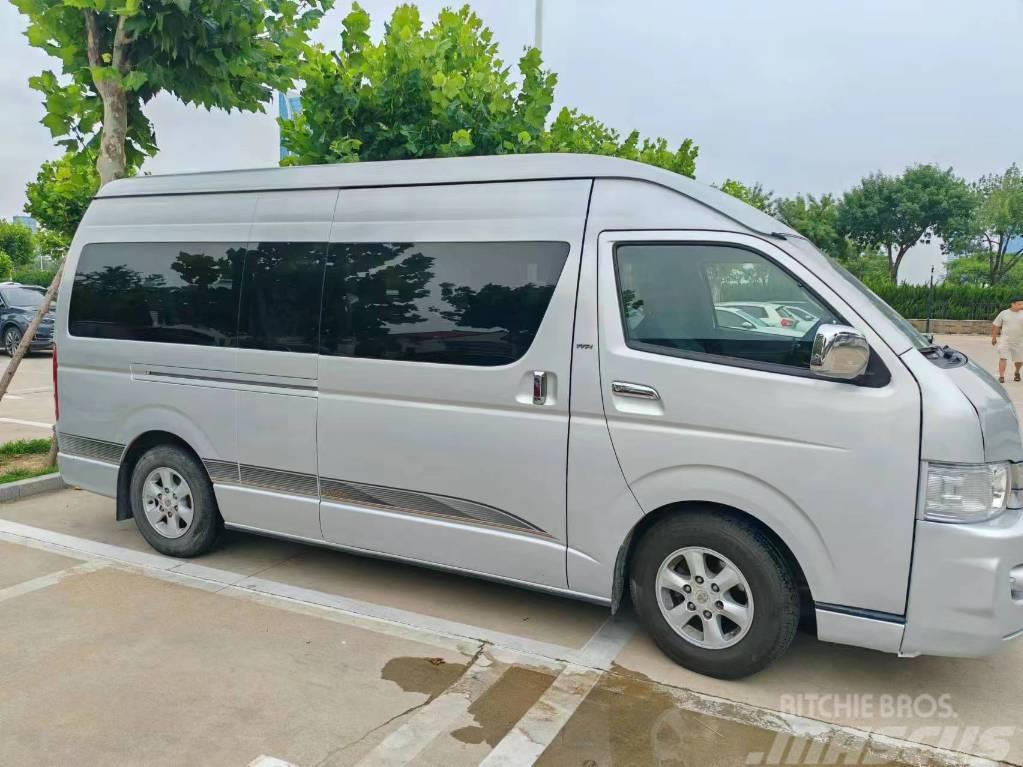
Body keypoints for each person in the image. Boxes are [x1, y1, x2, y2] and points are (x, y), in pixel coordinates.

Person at [992, 298, 1023, 383]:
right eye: (1019, 304)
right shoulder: (1004, 313)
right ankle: (1001, 376)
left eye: (1022, 304)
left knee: (1019, 360)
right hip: (1005, 340)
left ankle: (1017, 372)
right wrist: (994, 338)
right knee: (1003, 357)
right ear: (1012, 304)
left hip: (1019, 341)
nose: (1021, 306)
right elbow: (996, 326)